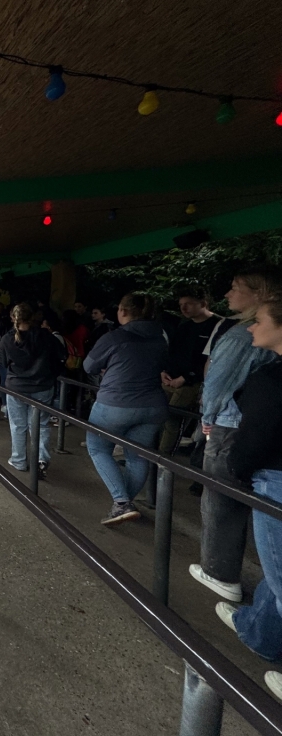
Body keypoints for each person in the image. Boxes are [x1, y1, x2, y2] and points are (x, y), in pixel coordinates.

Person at [191, 266, 282, 602]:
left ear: (259, 294)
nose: (228, 294)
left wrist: (207, 416)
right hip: (256, 425)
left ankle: (219, 572)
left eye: (235, 287)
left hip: (228, 424)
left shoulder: (242, 334)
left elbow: (218, 381)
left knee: (218, 499)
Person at [214, 297, 282, 690]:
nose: (251, 328)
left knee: (279, 570)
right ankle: (259, 633)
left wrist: (238, 469)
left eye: (258, 321)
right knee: (275, 571)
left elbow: (254, 436)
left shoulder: (270, 380)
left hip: (274, 477)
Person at [84, 293, 169, 525]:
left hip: (115, 403)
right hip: (153, 405)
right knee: (138, 456)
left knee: (98, 447)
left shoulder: (115, 337)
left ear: (123, 311)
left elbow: (89, 364)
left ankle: (122, 502)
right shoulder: (160, 337)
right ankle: (123, 505)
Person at [0, 303, 64, 475]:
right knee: (41, 425)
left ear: (13, 318)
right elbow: (60, 359)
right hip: (42, 386)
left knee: (18, 425)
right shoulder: (47, 337)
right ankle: (41, 460)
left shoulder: (7, 339)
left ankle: (19, 460)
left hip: (16, 387)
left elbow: (2, 362)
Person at [158, 286, 219, 454]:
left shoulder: (218, 325)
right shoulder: (184, 326)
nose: (183, 308)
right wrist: (164, 370)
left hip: (193, 382)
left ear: (203, 304)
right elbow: (173, 351)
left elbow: (213, 360)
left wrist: (186, 377)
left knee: (172, 420)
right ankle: (150, 456)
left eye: (189, 304)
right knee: (158, 417)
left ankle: (162, 460)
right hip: (170, 378)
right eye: (181, 304)